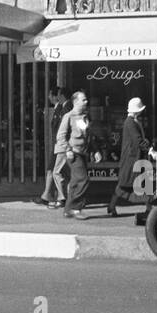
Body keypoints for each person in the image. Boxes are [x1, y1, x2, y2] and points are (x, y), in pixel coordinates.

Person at [110, 97, 150, 217]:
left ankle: (112, 205)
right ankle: (150, 208)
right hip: (132, 159)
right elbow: (138, 140)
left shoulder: (132, 121)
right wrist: (149, 148)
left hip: (134, 158)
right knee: (135, 183)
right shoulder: (130, 122)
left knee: (127, 184)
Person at [60, 91, 92, 219]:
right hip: (73, 153)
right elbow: (61, 136)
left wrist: (94, 150)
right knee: (83, 180)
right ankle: (76, 208)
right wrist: (67, 150)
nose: (86, 102)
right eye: (83, 100)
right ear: (75, 101)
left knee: (74, 182)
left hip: (83, 152)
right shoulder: (69, 116)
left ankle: (68, 210)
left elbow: (88, 135)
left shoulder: (85, 116)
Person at [39, 86, 71, 207]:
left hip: (62, 145)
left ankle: (62, 198)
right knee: (58, 171)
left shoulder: (66, 108)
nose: (55, 97)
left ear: (61, 95)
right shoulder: (63, 108)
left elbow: (63, 128)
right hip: (60, 145)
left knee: (56, 172)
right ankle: (53, 196)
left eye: (57, 94)